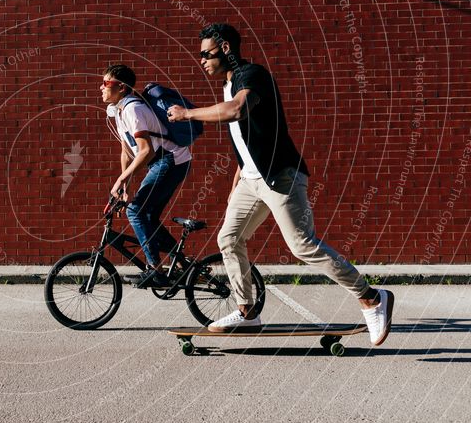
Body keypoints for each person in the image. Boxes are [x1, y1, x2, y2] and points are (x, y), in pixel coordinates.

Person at [167, 24, 393, 346]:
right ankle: (247, 311)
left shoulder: (251, 75)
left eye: (207, 54)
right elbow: (245, 140)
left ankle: (371, 297)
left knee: (303, 245)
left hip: (279, 176)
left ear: (226, 49)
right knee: (229, 238)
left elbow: (236, 112)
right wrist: (239, 178)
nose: (201, 60)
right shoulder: (228, 86)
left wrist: (188, 114)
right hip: (251, 178)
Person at [101, 64, 192, 288]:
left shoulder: (133, 109)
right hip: (160, 162)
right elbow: (127, 151)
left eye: (106, 83)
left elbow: (145, 151)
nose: (101, 88)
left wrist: (121, 179)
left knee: (135, 211)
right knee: (147, 215)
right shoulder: (119, 111)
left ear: (121, 88)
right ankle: (183, 265)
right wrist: (126, 186)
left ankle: (155, 270)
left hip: (171, 160)